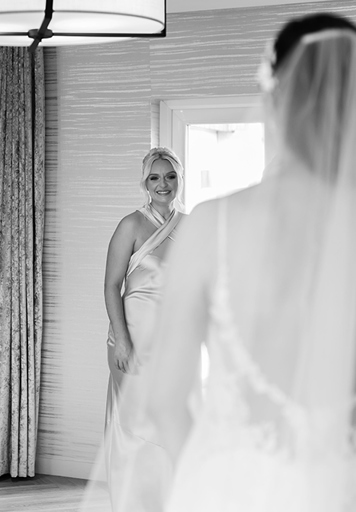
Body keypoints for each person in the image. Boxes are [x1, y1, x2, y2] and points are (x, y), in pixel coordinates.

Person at [144, 13, 356, 512]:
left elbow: (164, 402)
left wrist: (210, 480)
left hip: (229, 488)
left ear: (275, 99)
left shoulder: (212, 224)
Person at [100, 147, 184, 511]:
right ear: (145, 183)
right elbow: (110, 285)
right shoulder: (131, 225)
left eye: (170, 176)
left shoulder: (191, 224)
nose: (163, 184)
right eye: (155, 177)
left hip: (173, 345)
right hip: (130, 339)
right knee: (136, 424)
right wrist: (121, 340)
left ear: (179, 179)